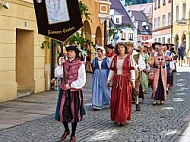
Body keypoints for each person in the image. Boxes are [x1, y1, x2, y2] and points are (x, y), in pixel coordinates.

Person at [58, 45, 86, 142]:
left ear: (75, 53)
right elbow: (58, 74)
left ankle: (73, 134)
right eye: (68, 51)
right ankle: (66, 130)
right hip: (64, 91)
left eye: (71, 51)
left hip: (75, 92)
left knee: (74, 112)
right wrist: (61, 65)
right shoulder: (64, 63)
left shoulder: (80, 64)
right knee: (62, 111)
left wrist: (71, 85)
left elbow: (82, 79)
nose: (69, 52)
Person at [107, 42, 136, 125]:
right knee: (115, 99)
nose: (120, 49)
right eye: (119, 48)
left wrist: (133, 80)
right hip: (116, 80)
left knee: (123, 99)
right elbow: (112, 70)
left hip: (125, 80)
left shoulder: (129, 57)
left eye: (122, 47)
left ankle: (122, 118)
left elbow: (132, 69)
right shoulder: (115, 57)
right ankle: (116, 117)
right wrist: (108, 80)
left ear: (125, 48)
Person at [91, 46, 111, 110]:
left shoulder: (107, 59)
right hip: (97, 74)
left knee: (105, 88)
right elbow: (93, 66)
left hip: (104, 74)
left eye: (100, 51)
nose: (99, 53)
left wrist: (109, 77)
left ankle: (109, 101)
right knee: (96, 88)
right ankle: (96, 104)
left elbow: (109, 68)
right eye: (98, 51)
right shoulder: (95, 59)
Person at [132, 46, 146, 111]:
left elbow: (143, 65)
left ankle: (137, 103)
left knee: (136, 89)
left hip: (136, 73)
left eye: (129, 47)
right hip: (126, 74)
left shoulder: (136, 55)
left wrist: (136, 66)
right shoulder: (123, 55)